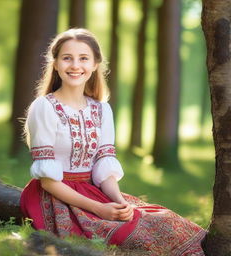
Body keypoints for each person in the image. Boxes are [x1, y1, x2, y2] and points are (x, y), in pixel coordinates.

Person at [20, 28, 206, 255]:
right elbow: (48, 182)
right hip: (55, 197)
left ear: (95, 64)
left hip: (94, 190)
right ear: (56, 63)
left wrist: (120, 203)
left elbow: (104, 168)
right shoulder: (44, 107)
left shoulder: (101, 109)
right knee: (132, 237)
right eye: (67, 58)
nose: (75, 65)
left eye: (84, 58)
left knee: (167, 222)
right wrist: (100, 208)